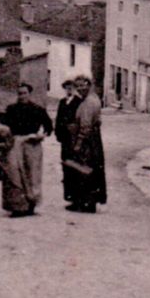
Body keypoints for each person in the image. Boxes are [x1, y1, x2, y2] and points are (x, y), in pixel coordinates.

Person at [0, 83, 53, 217]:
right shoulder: (11, 109)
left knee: (32, 174)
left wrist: (40, 136)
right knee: (14, 174)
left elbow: (49, 127)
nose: (22, 96)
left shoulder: (37, 109)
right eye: (20, 93)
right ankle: (17, 206)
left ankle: (31, 205)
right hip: (15, 143)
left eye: (24, 93)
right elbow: (3, 127)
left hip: (32, 144)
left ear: (29, 94)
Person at [66, 75, 107, 213]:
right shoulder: (93, 98)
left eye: (83, 85)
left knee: (84, 170)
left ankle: (87, 203)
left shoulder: (88, 102)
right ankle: (87, 201)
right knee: (91, 170)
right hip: (94, 139)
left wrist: (78, 143)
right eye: (77, 86)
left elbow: (86, 126)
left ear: (89, 85)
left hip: (87, 142)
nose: (80, 89)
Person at [55, 79, 83, 206]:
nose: (69, 89)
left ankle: (75, 196)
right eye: (67, 87)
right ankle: (69, 196)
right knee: (65, 163)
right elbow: (58, 119)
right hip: (64, 139)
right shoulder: (62, 102)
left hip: (73, 138)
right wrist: (58, 134)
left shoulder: (78, 102)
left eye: (71, 87)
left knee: (74, 165)